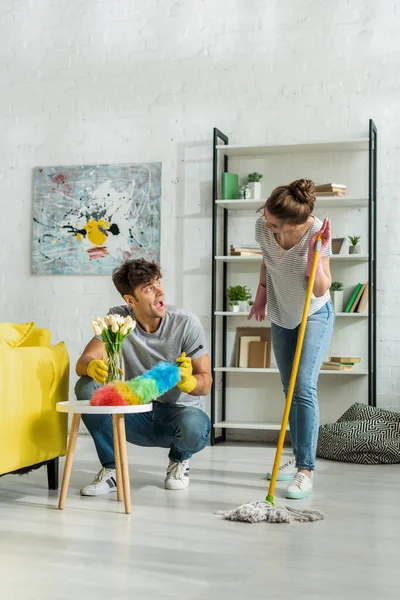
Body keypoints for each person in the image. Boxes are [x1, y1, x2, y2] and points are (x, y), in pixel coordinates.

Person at [75, 258, 212, 494]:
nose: (160, 291)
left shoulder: (186, 324)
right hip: (134, 414)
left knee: (195, 424)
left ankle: (179, 460)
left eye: (158, 282)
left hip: (177, 417)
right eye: (149, 288)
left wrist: (190, 381)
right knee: (86, 387)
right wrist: (92, 368)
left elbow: (206, 382)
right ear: (130, 300)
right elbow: (83, 362)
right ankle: (112, 469)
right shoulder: (117, 321)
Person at [248, 179, 335, 499]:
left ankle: (305, 469)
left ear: (291, 223)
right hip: (281, 312)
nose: (265, 223)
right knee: (289, 388)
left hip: (313, 313)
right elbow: (267, 262)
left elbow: (320, 288)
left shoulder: (317, 234)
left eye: (272, 221)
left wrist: (315, 254)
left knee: (303, 387)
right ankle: (297, 457)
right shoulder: (263, 227)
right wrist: (261, 296)